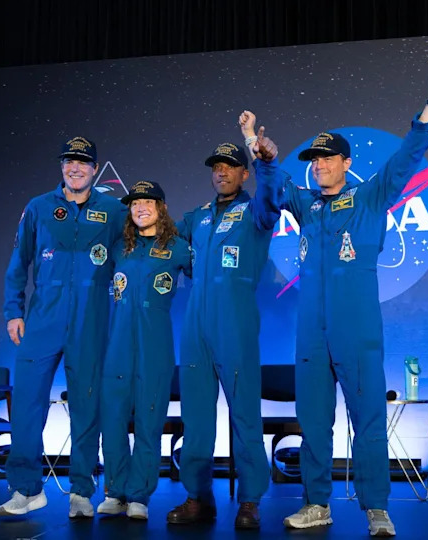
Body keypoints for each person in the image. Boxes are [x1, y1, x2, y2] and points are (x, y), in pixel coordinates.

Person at [278, 69, 428, 536]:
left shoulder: (370, 197)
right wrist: (258, 152)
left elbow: (408, 155)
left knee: (369, 422)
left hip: (355, 331)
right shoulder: (305, 205)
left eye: (326, 158)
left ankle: (376, 508)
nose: (319, 165)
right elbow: (276, 185)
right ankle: (316, 504)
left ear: (346, 162)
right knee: (313, 424)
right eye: (313, 160)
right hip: (310, 334)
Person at [0, 136, 126, 518]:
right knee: (26, 402)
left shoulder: (114, 210)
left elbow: (128, 264)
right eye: (69, 161)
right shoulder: (39, 207)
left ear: (95, 169)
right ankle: (26, 489)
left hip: (92, 316)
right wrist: (13, 311)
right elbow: (18, 264)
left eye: (83, 162)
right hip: (44, 317)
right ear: (61, 167)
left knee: (86, 405)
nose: (75, 168)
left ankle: (81, 491)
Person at [166, 113, 282, 529]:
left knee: (244, 413)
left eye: (230, 166)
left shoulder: (257, 211)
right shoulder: (196, 217)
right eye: (216, 167)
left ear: (243, 173)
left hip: (235, 322)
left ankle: (249, 500)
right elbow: (163, 240)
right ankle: (198, 497)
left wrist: (261, 154)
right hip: (196, 324)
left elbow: (271, 191)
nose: (221, 172)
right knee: (196, 415)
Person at [95, 181, 191, 521]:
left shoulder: (178, 248)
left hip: (155, 343)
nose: (141, 208)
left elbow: (205, 282)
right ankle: (115, 491)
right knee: (113, 419)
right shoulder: (119, 247)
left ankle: (139, 495)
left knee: (149, 420)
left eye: (148, 202)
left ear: (161, 208)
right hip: (119, 344)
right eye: (135, 203)